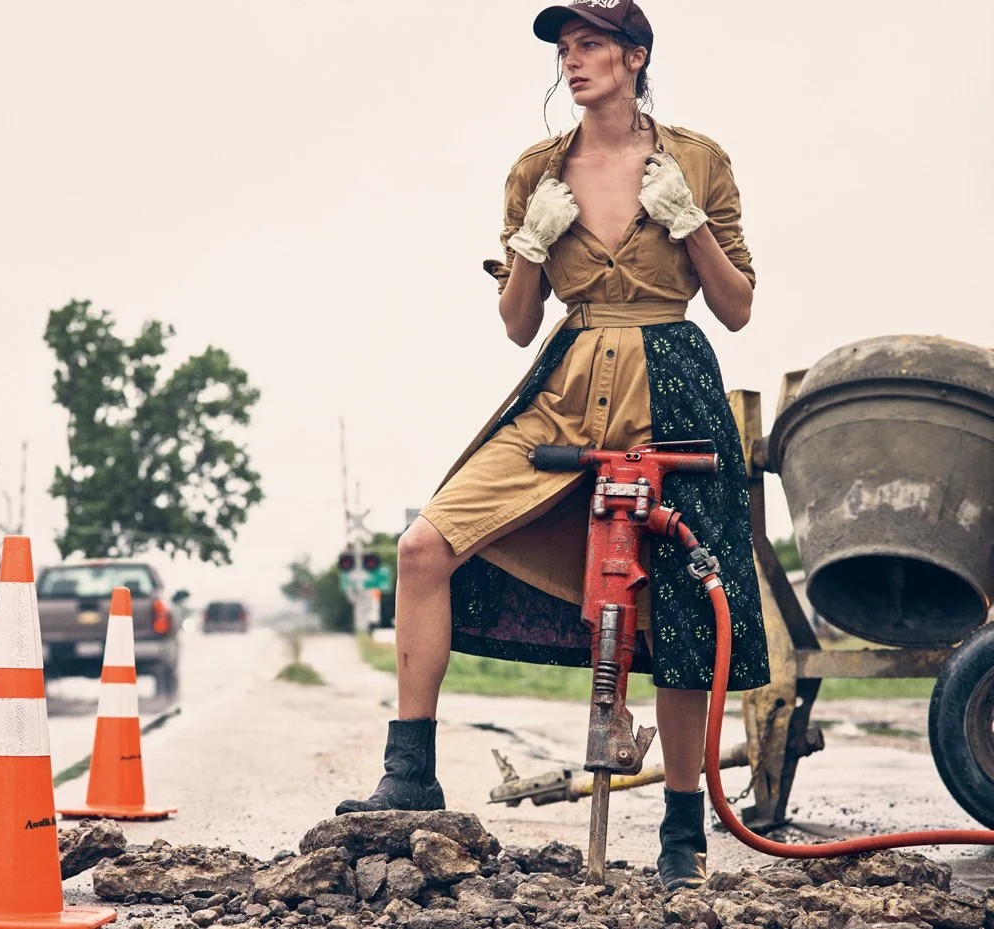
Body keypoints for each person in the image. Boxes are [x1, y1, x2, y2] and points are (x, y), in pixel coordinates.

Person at [335, 0, 771, 891]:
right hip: (565, 378)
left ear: (635, 56)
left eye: (591, 45)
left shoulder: (699, 160)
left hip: (673, 380)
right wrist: (532, 243)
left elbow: (737, 306)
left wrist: (686, 222)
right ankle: (410, 773)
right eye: (565, 49)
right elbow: (516, 323)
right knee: (424, 546)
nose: (573, 63)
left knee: (687, 613)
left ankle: (682, 833)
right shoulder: (537, 169)